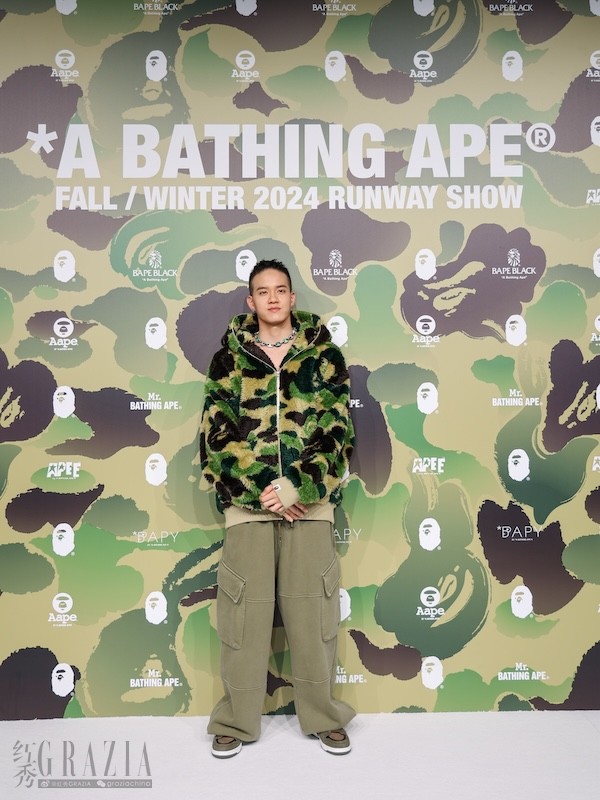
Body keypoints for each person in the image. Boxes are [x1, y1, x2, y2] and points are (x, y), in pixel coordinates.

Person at [200, 258, 355, 758]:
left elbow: (337, 430)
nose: (272, 298)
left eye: (280, 290)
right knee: (242, 622)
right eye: (263, 291)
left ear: (292, 298)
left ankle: (324, 717)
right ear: (251, 302)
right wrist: (266, 490)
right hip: (248, 510)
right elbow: (216, 436)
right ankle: (235, 721)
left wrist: (298, 489)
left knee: (313, 620)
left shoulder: (324, 355)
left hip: (309, 509)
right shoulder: (228, 360)